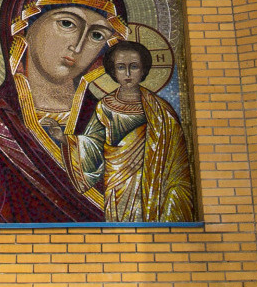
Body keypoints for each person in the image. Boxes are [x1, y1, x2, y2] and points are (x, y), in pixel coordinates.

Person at [76, 38, 196, 223]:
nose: (128, 73)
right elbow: (92, 143)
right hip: (117, 182)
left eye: (134, 66)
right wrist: (68, 141)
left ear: (143, 70)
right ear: (113, 71)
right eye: (121, 67)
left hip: (152, 182)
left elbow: (176, 160)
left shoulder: (161, 111)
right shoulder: (105, 106)